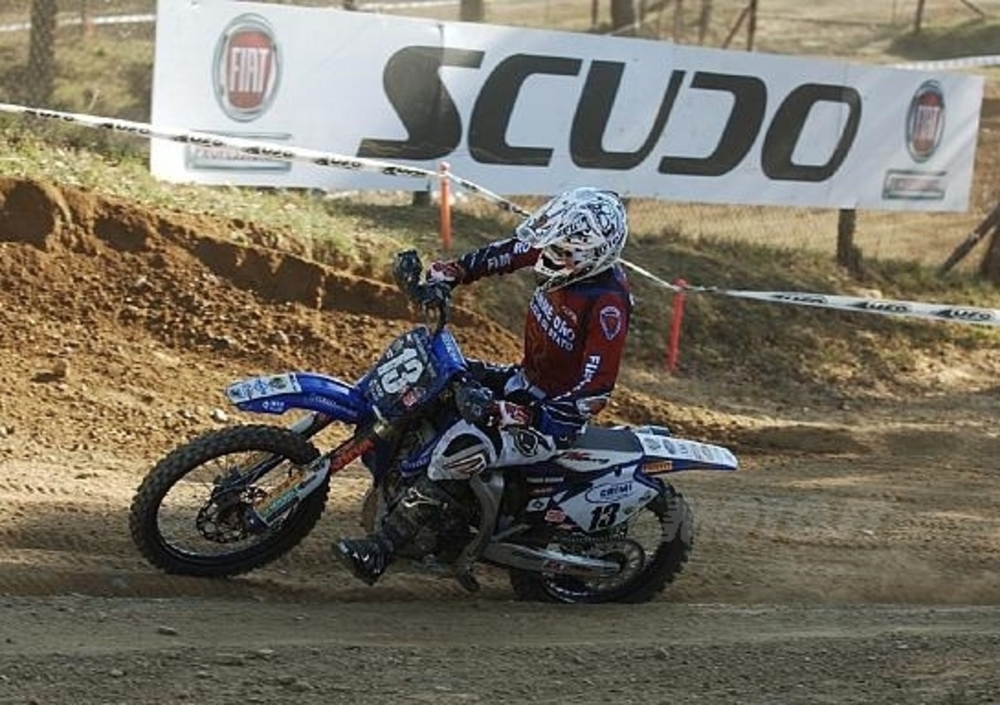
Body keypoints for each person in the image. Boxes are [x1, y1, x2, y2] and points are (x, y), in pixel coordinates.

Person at [333, 186, 633, 586]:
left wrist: (520, 414)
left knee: (460, 448)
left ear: (593, 255)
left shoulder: (607, 304)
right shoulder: (560, 255)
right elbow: (506, 253)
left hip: (552, 419)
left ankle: (382, 548)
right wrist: (452, 272)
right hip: (523, 381)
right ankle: (410, 490)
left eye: (561, 251)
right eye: (552, 245)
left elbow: (594, 390)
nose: (548, 256)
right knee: (438, 382)